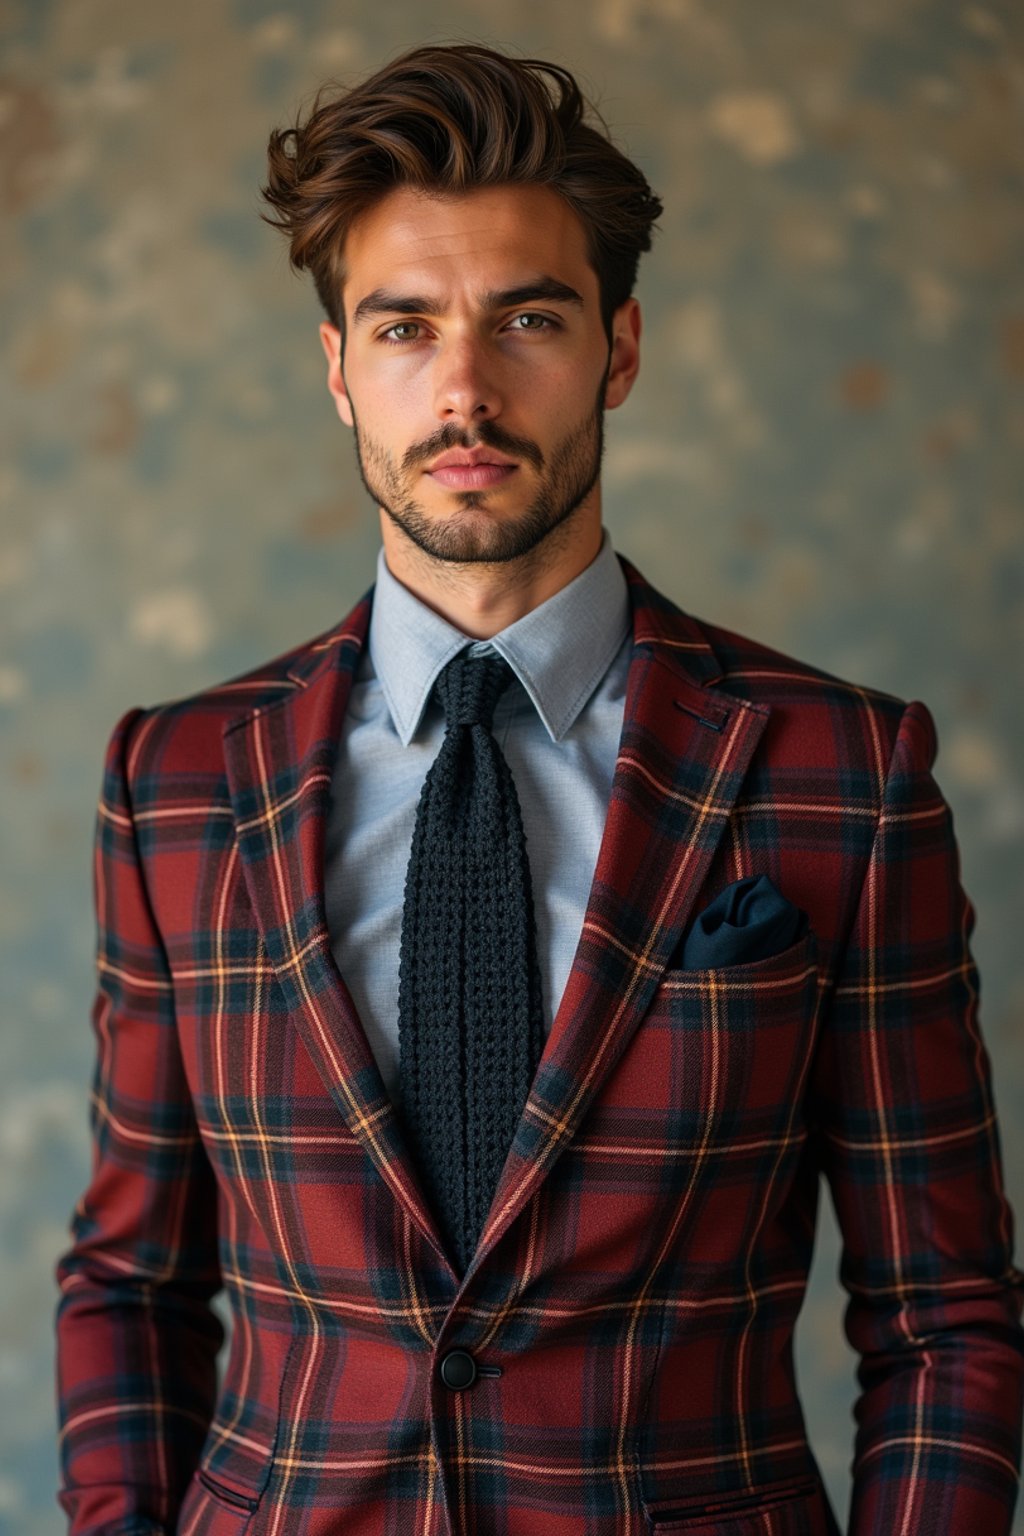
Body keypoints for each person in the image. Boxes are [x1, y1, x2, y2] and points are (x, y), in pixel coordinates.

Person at [54, 41, 1024, 1536]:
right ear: (337, 373)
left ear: (618, 350)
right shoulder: (176, 784)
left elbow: (944, 1314)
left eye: (527, 318)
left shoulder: (845, 776)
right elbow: (130, 1284)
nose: (464, 387)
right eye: (403, 327)